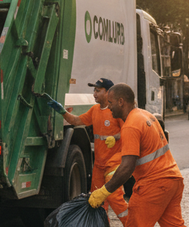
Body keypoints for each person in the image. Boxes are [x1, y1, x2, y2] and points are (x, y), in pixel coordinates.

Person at [89, 83, 185, 227]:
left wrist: (104, 191)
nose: (109, 107)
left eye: (111, 102)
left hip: (154, 184)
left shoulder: (130, 126)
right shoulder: (146, 115)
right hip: (173, 180)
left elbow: (127, 166)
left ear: (121, 102)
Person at [47, 78, 128, 224]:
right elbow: (76, 121)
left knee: (114, 198)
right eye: (94, 90)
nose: (94, 94)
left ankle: (131, 223)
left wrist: (115, 138)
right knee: (97, 201)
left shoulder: (115, 112)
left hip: (114, 163)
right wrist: (62, 111)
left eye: (98, 90)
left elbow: (128, 130)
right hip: (99, 164)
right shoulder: (95, 110)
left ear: (108, 92)